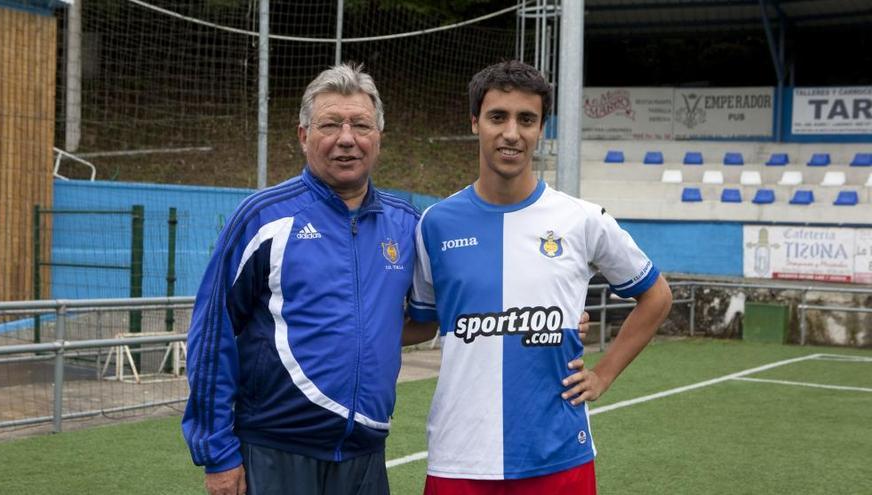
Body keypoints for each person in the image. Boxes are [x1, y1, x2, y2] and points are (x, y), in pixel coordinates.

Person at [181, 62, 594, 495]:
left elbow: (440, 309)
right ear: (303, 135)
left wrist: (559, 313)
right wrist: (217, 453)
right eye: (330, 125)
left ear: (378, 138)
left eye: (360, 124)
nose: (346, 138)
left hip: (366, 452)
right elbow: (212, 334)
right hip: (276, 448)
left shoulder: (406, 225)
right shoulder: (262, 218)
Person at [407, 60, 673, 495]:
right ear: (475, 122)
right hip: (460, 456)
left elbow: (657, 296)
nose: (512, 132)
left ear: (541, 129)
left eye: (526, 119)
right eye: (498, 117)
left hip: (558, 455)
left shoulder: (582, 219)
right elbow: (422, 320)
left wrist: (604, 373)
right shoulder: (435, 224)